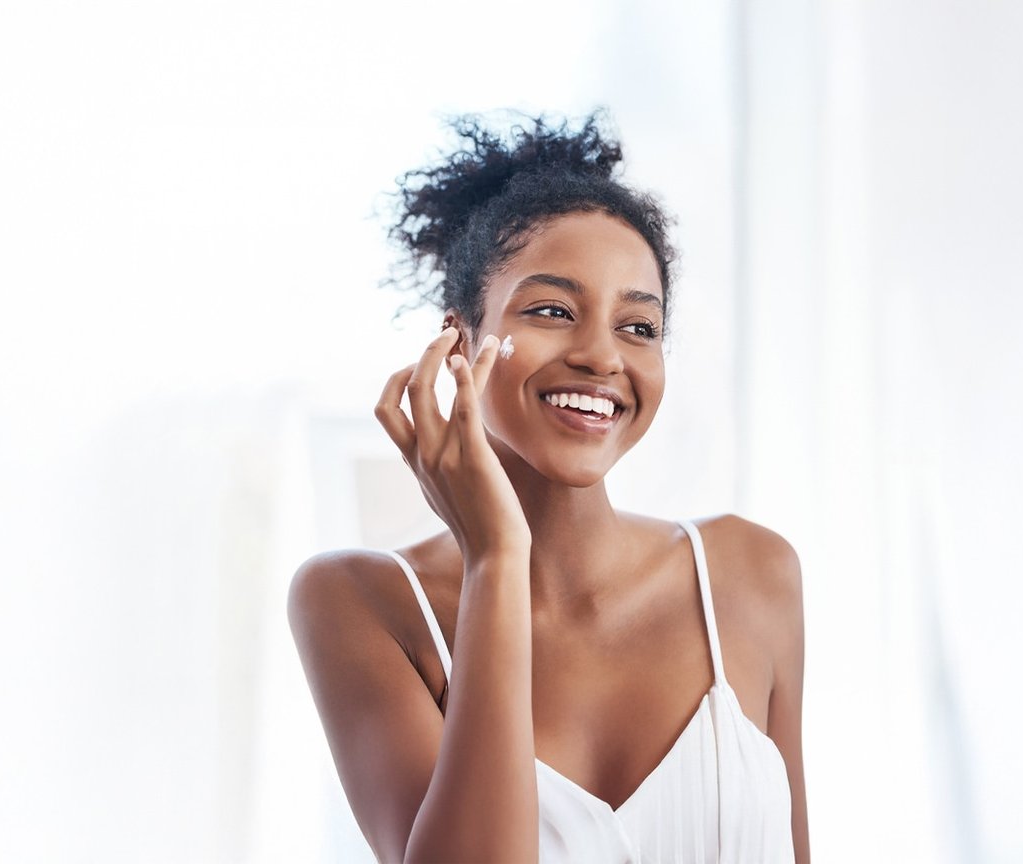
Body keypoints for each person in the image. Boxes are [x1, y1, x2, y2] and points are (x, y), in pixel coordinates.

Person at [289, 112, 809, 863]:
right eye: (552, 311)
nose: (601, 355)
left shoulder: (751, 573)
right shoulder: (360, 602)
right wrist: (495, 558)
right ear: (459, 341)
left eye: (639, 327)